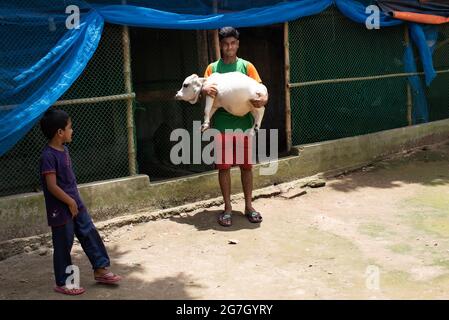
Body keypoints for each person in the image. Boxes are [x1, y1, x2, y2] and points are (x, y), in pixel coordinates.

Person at [39, 109, 121, 295]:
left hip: (75, 203)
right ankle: (64, 282)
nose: (72, 130)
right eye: (70, 127)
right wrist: (69, 202)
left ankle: (100, 269)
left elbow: (68, 181)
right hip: (60, 209)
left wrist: (76, 201)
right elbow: (52, 186)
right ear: (60, 132)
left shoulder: (64, 150)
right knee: (63, 244)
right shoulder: (48, 156)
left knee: (89, 233)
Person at [202, 27, 269, 227]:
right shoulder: (212, 69)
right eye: (225, 44)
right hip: (222, 126)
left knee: (246, 167)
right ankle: (228, 208)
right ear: (220, 45)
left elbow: (260, 90)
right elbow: (205, 95)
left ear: (237, 44)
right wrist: (204, 88)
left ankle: (249, 206)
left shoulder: (247, 67)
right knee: (224, 168)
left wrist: (264, 99)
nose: (229, 47)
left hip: (245, 126)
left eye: (232, 43)